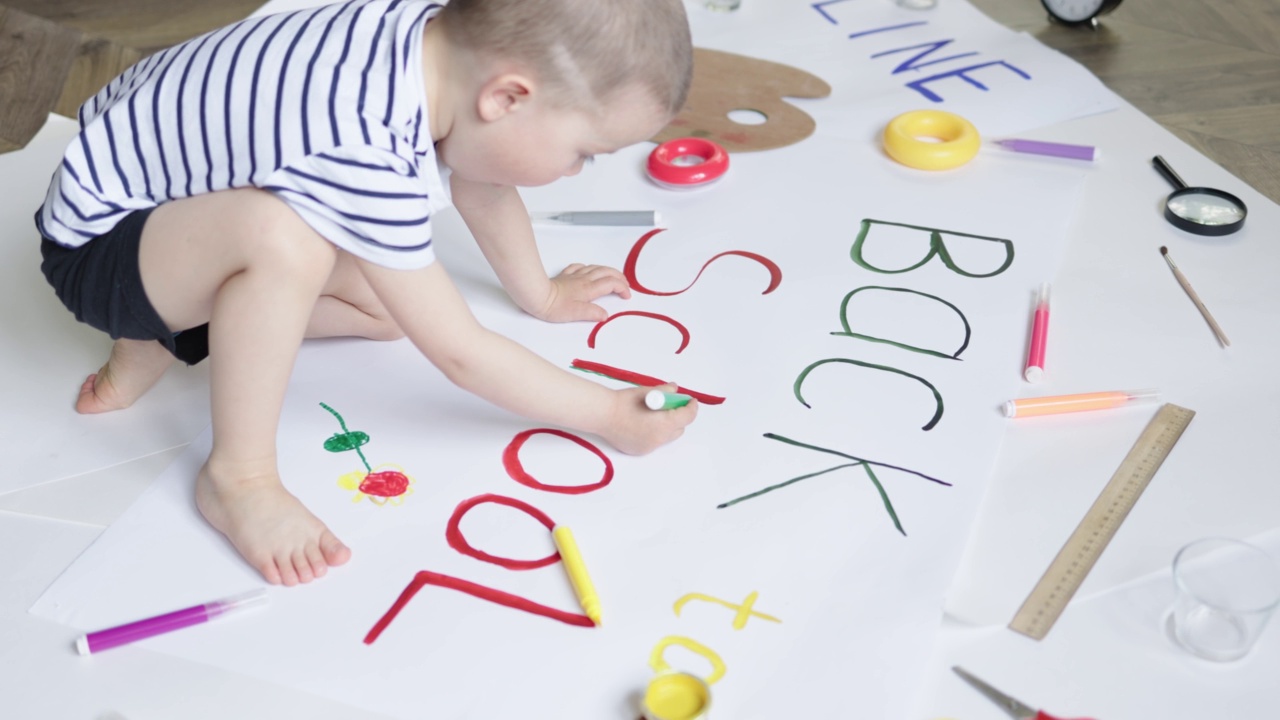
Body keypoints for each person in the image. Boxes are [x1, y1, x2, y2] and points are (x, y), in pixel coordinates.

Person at [36, 0, 697, 586]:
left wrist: (543, 295)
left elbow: (482, 175)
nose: (578, 168)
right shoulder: (360, 140)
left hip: (177, 213)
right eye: (585, 151)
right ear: (507, 99)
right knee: (282, 240)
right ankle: (238, 477)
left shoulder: (435, 37)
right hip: (101, 248)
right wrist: (608, 415)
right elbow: (460, 352)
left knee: (387, 306)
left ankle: (168, 335)